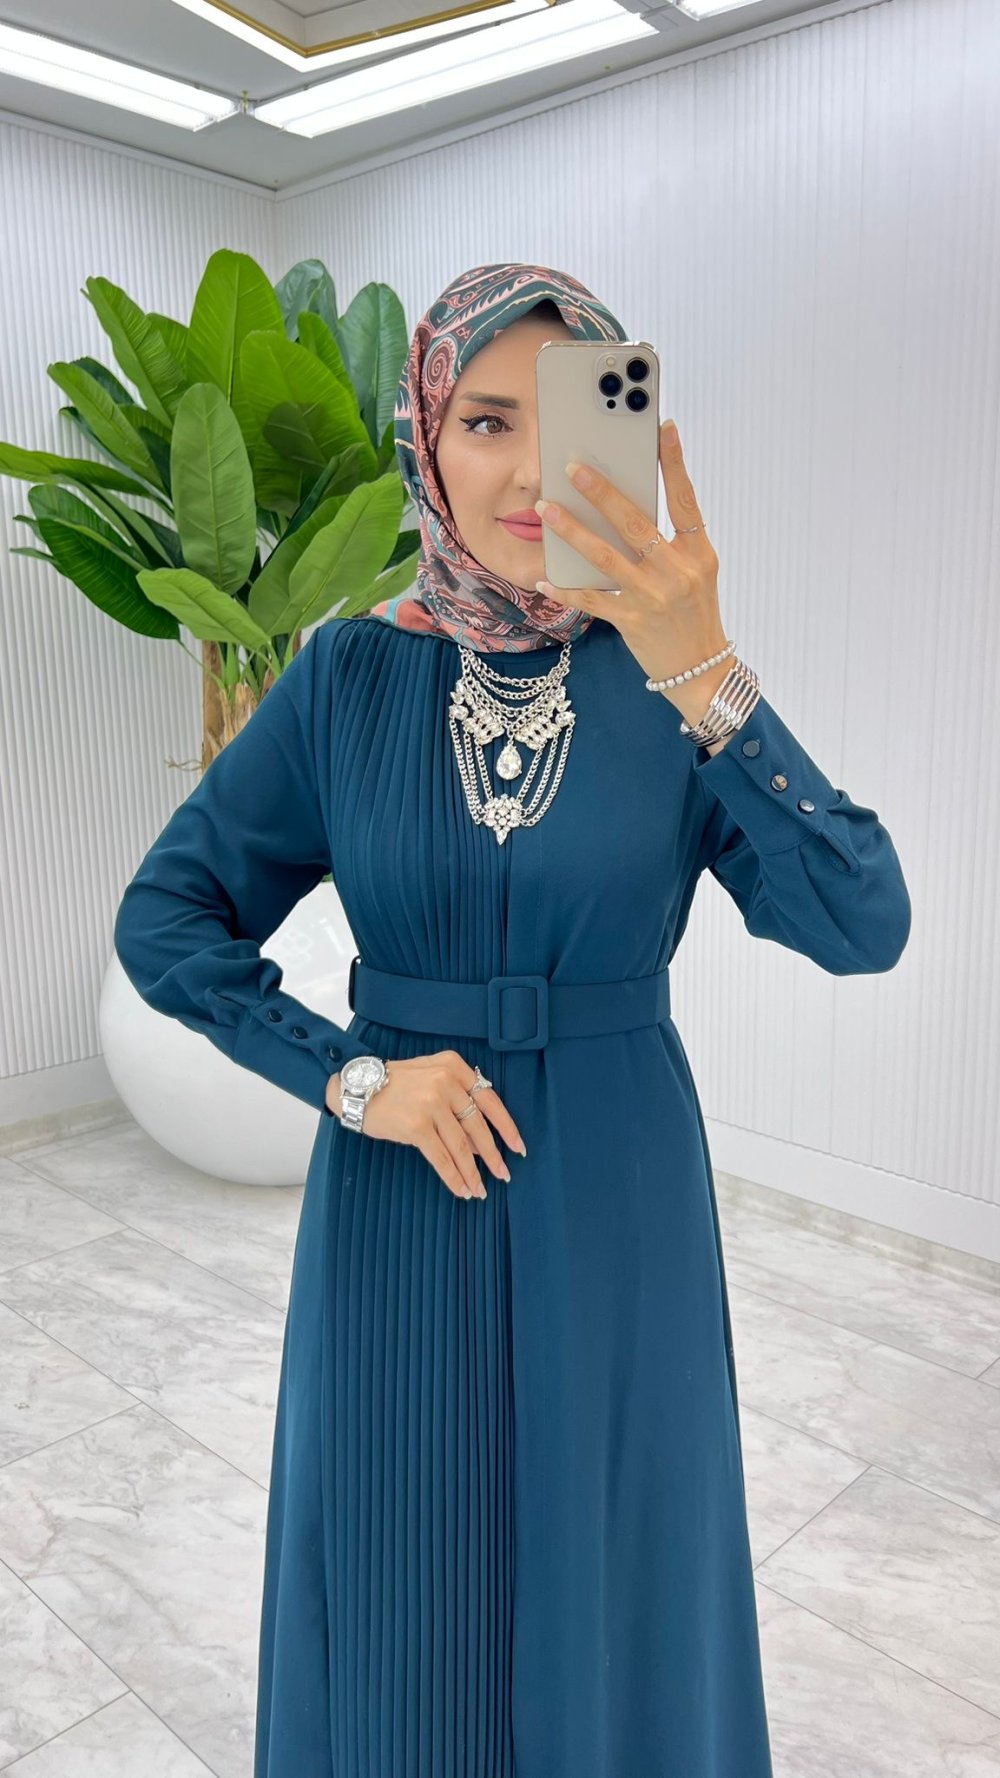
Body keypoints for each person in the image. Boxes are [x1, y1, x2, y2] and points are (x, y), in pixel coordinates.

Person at [113, 261, 912, 1778]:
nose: (535, 471)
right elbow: (168, 919)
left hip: (617, 1186)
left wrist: (711, 671)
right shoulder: (347, 677)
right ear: (426, 434)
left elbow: (861, 924)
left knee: (622, 1544)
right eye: (487, 420)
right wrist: (351, 1077)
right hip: (398, 1190)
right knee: (401, 1549)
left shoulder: (667, 685)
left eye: (569, 417)